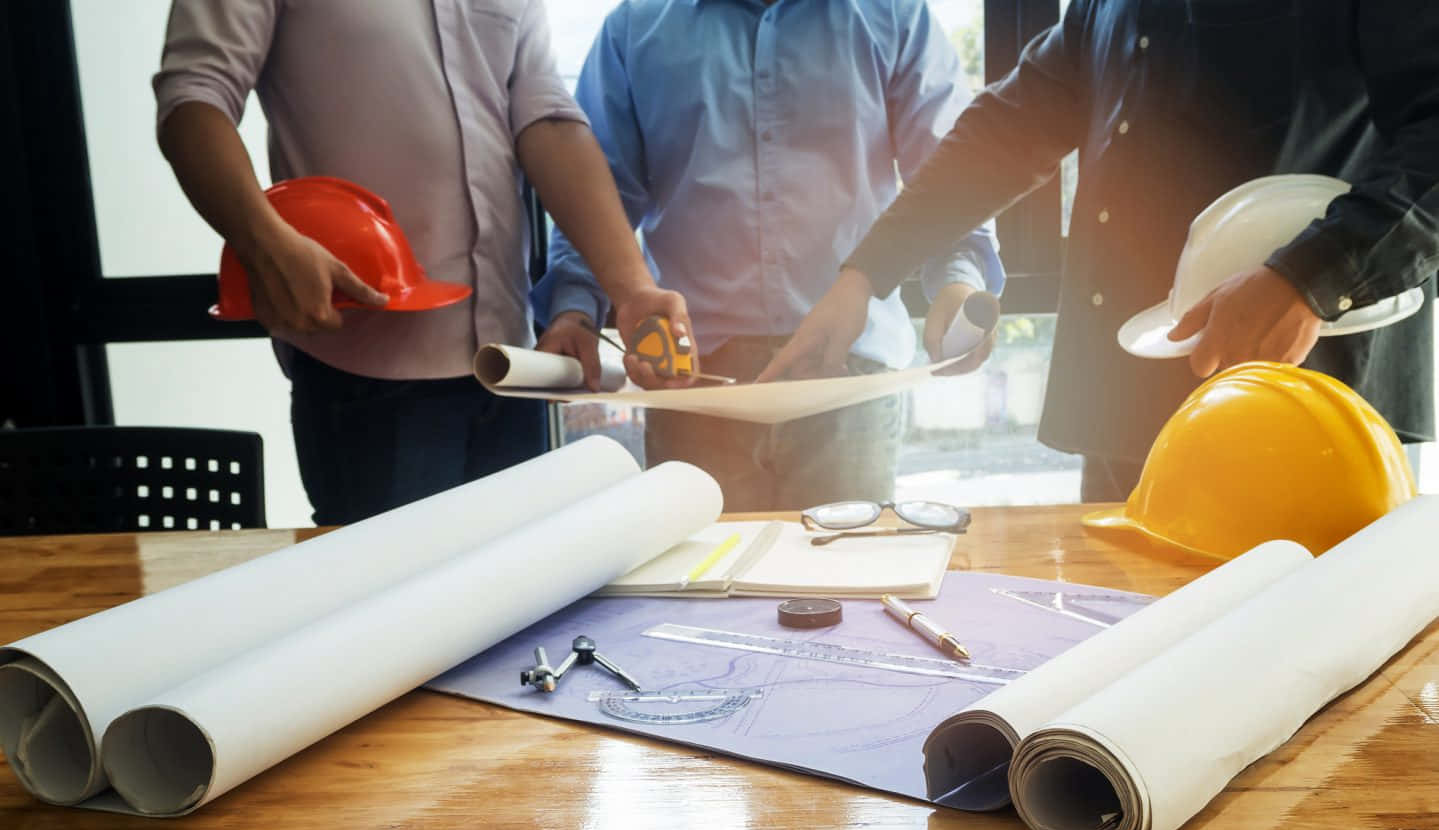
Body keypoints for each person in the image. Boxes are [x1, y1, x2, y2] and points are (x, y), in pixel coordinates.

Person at [770, 0, 1439, 501]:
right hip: (1129, 411)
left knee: (1314, 675)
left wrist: (1309, 277)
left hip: (1308, 406)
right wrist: (861, 277)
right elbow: (1007, 130)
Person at [154, 0, 690, 524]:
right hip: (368, 370)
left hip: (510, 366)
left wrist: (632, 288)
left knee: (519, 594)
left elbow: (547, 121)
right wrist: (262, 239)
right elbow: (195, 96)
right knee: (386, 600)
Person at [532, 0, 1004, 512]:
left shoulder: (893, 15)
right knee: (706, 583)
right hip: (697, 388)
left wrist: (958, 276)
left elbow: (947, 170)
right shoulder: (634, 31)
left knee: (849, 583)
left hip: (848, 385)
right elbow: (600, 196)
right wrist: (574, 308)